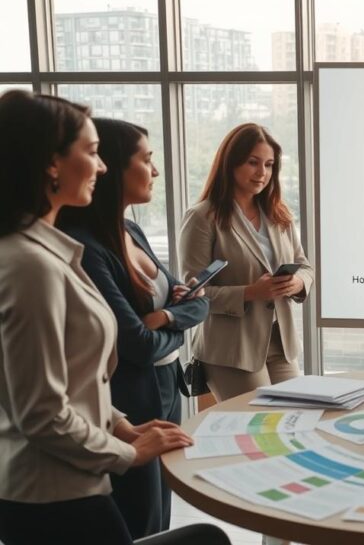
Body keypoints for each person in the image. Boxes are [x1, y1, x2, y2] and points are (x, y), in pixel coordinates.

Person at [0, 91, 196, 544]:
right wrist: (127, 452)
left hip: (66, 489)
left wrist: (120, 423)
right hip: (52, 498)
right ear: (51, 163)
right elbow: (42, 412)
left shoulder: (46, 251)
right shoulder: (30, 265)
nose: (103, 166)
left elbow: (70, 380)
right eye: (91, 153)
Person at [58, 118, 211, 538]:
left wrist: (165, 318)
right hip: (129, 393)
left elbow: (198, 302)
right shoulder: (86, 247)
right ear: (112, 168)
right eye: (146, 159)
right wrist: (179, 319)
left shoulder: (131, 229)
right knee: (141, 518)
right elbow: (137, 346)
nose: (156, 171)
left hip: (165, 383)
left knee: (161, 510)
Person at [179, 123, 313, 401]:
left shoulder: (278, 214)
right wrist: (251, 293)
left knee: (295, 418)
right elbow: (193, 294)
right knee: (259, 428)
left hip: (281, 341)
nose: (262, 173)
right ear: (231, 162)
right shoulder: (203, 218)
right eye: (253, 162)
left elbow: (304, 265)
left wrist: (298, 282)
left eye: (269, 164)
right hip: (233, 350)